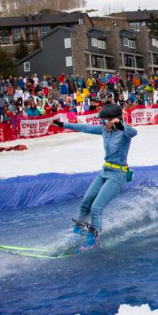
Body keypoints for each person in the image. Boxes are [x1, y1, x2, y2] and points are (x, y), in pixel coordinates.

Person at [52, 103, 138, 249]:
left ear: (114, 119)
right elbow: (84, 127)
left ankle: (94, 240)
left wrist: (121, 126)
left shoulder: (124, 132)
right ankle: (78, 232)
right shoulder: (104, 130)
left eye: (104, 120)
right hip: (105, 171)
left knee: (96, 208)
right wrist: (62, 124)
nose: (101, 123)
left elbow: (133, 132)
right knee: (86, 202)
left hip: (118, 175)